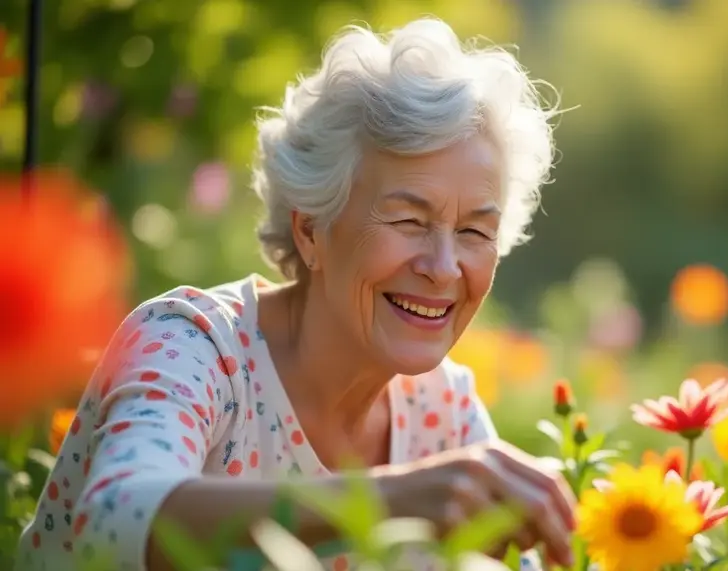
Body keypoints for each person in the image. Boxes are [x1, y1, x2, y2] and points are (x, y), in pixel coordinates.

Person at [16, 17, 574, 571]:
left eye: (475, 231)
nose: (444, 267)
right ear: (311, 230)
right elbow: (113, 523)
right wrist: (388, 501)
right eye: (408, 220)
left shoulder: (443, 410)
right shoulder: (192, 342)